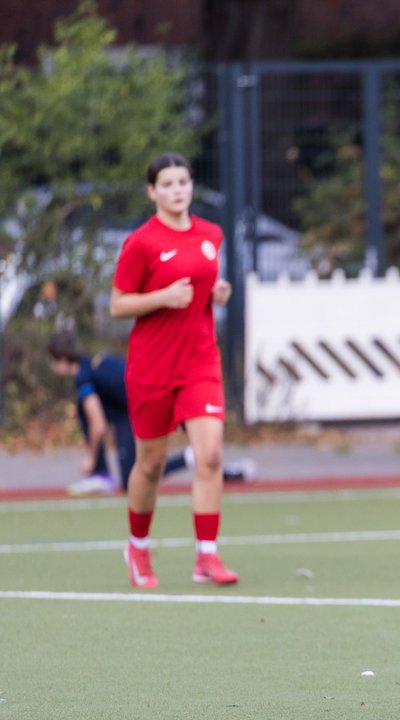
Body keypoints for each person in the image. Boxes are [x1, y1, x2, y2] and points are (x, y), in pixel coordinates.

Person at [108, 152, 240, 588]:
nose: (176, 190)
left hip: (200, 361)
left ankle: (207, 556)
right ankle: (138, 549)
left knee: (212, 455)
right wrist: (161, 297)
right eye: (166, 184)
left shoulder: (211, 234)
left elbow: (201, 285)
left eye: (182, 182)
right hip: (152, 366)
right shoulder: (141, 243)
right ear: (152, 192)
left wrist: (214, 292)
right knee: (151, 464)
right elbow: (118, 303)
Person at [48, 330, 257, 496]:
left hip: (142, 403)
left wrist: (90, 459)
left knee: (137, 478)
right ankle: (103, 475)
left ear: (61, 359)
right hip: (127, 408)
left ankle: (189, 458)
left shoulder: (83, 377)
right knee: (136, 473)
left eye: (53, 362)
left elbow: (99, 425)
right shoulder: (90, 364)